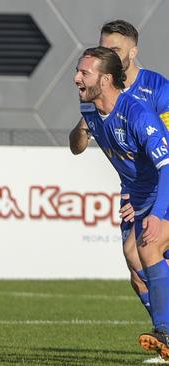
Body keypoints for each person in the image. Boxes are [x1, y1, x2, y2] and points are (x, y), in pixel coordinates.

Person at [71, 46, 169, 360]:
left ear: (108, 79)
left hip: (162, 190)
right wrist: (81, 132)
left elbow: (167, 167)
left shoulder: (138, 113)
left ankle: (165, 331)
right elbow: (77, 147)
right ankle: (164, 333)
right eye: (78, 70)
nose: (76, 78)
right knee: (135, 261)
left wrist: (155, 213)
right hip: (141, 196)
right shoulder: (89, 110)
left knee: (148, 246)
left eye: (84, 72)